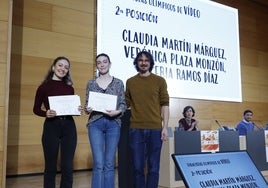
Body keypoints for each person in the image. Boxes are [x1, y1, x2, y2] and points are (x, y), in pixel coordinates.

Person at [33, 56, 82, 188]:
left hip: (69, 126)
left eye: (66, 67)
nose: (63, 69)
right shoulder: (43, 87)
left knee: (67, 166)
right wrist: (46, 113)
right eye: (60, 65)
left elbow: (70, 108)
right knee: (50, 165)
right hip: (51, 126)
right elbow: (36, 109)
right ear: (53, 67)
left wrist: (77, 109)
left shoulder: (69, 88)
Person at [125, 51, 170, 188]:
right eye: (140, 60)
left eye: (146, 60)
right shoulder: (130, 82)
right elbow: (125, 104)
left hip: (155, 129)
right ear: (136, 63)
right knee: (138, 167)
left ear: (150, 63)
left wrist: (164, 127)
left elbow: (165, 105)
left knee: (154, 167)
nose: (143, 62)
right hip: (136, 129)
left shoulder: (160, 81)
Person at [84, 53, 126, 188]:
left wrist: (117, 111)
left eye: (104, 62)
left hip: (113, 124)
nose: (102, 64)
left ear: (110, 64)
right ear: (97, 66)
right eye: (99, 62)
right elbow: (86, 105)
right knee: (98, 163)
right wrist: (87, 108)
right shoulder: (91, 83)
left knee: (109, 163)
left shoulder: (119, 83)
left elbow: (123, 104)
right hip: (95, 123)